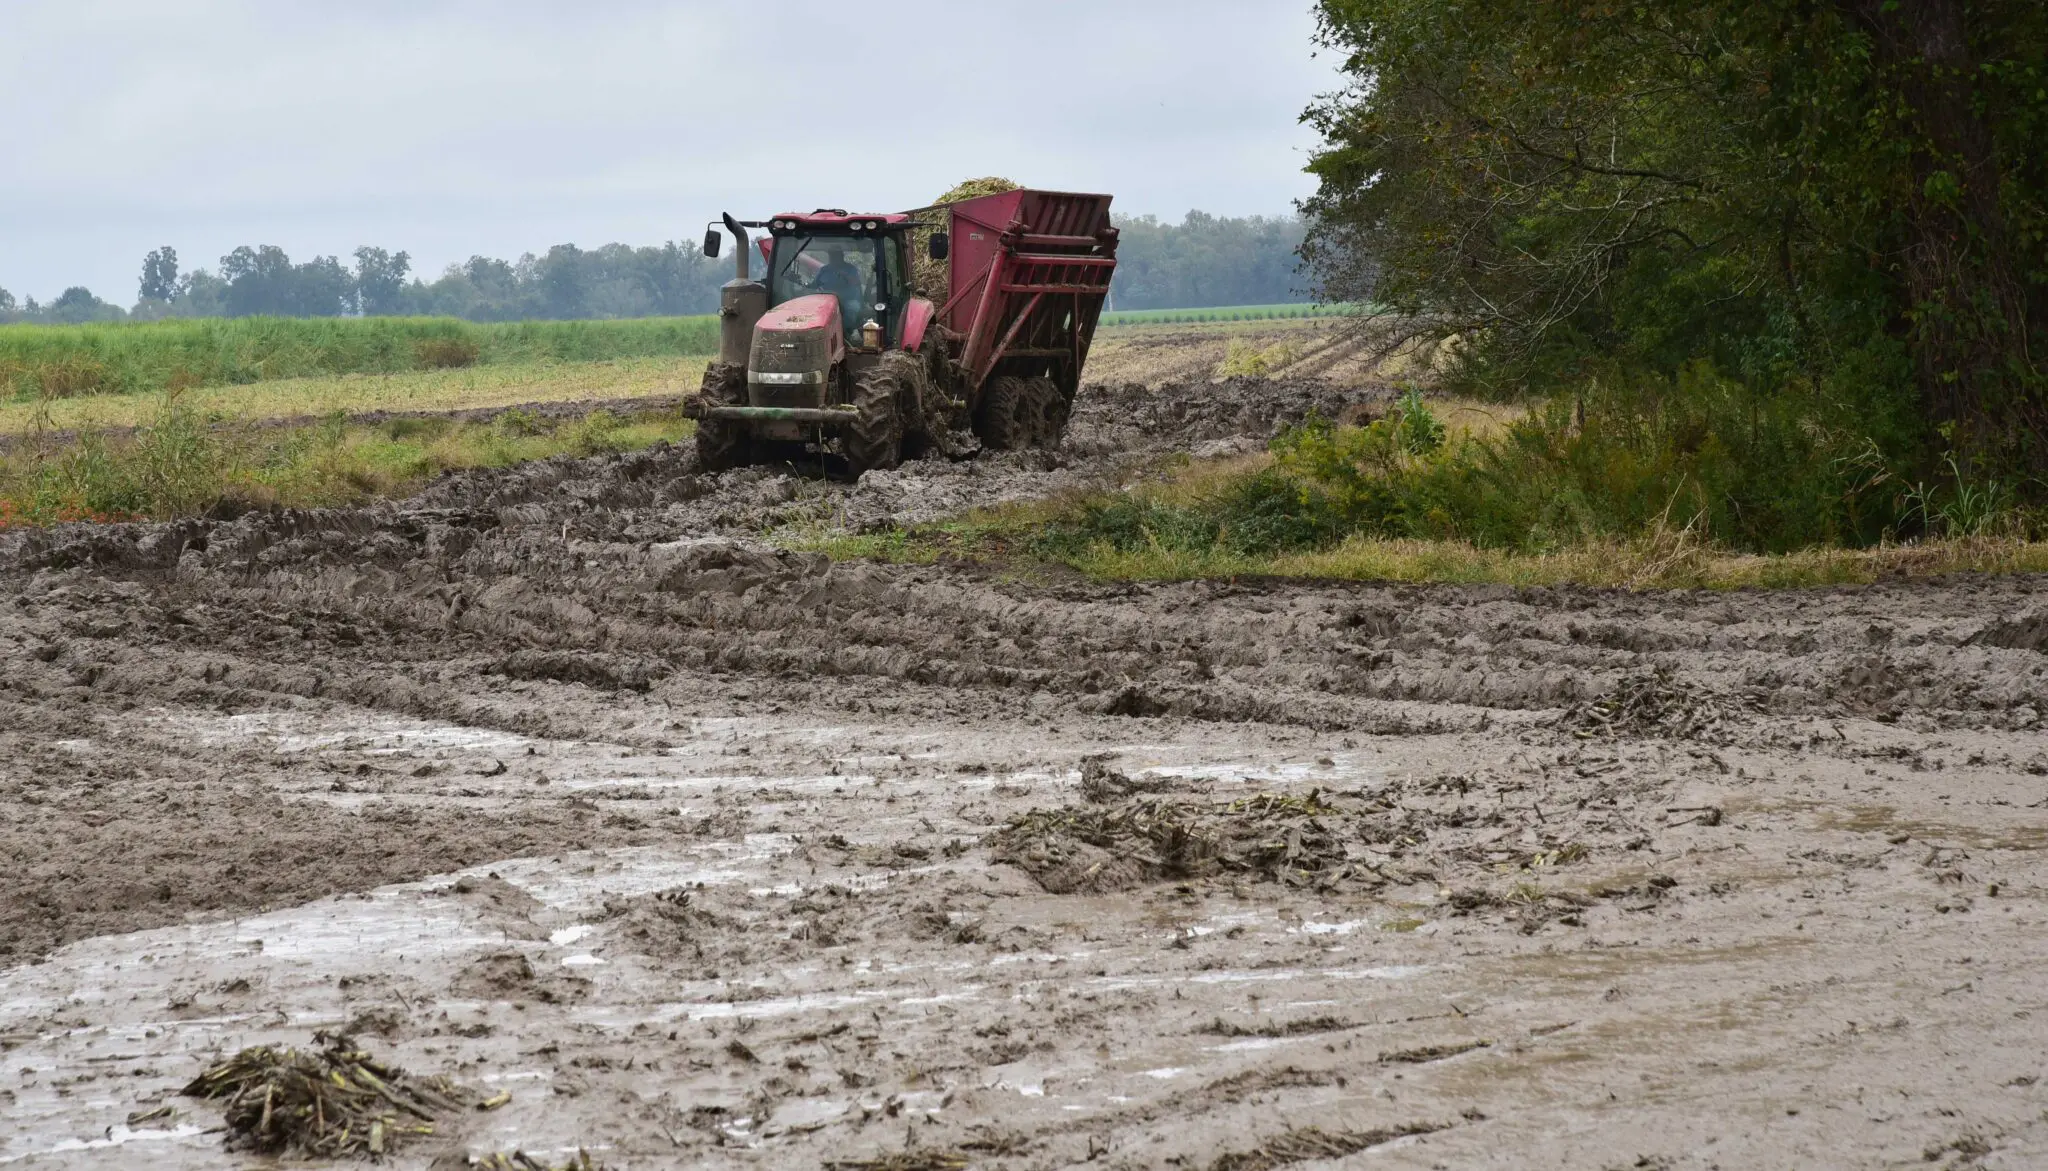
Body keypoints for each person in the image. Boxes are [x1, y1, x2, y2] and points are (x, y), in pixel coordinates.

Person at [813, 245, 864, 341]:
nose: (833, 257)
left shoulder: (850, 269)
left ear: (841, 256)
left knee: (853, 309)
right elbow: (814, 285)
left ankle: (844, 335)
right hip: (825, 302)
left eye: (836, 255)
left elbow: (856, 282)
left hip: (847, 300)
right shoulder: (824, 270)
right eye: (831, 255)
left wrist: (845, 275)